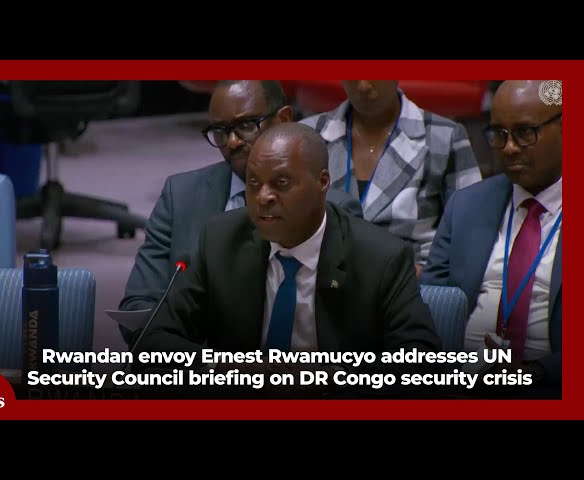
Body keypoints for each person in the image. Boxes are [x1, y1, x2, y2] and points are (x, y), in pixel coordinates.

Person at [132, 122, 442, 398]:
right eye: (254, 184)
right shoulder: (221, 240)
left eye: (281, 184)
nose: (263, 196)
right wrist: (239, 372)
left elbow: (421, 365)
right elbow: (154, 342)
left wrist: (316, 378)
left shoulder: (379, 257)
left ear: (322, 183)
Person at [119, 81, 362, 344]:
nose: (232, 142)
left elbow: (355, 324)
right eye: (220, 131)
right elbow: (139, 308)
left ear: (284, 120)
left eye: (247, 126)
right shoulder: (180, 197)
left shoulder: (331, 208)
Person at [421, 80, 562, 395]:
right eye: (499, 134)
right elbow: (428, 306)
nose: (509, 148)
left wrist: (537, 373)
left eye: (526, 133)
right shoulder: (467, 204)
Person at [300, 80, 483, 276]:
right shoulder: (307, 136)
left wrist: (428, 273)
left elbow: (472, 232)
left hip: (414, 284)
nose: (363, 87)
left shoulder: (445, 137)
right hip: (325, 281)